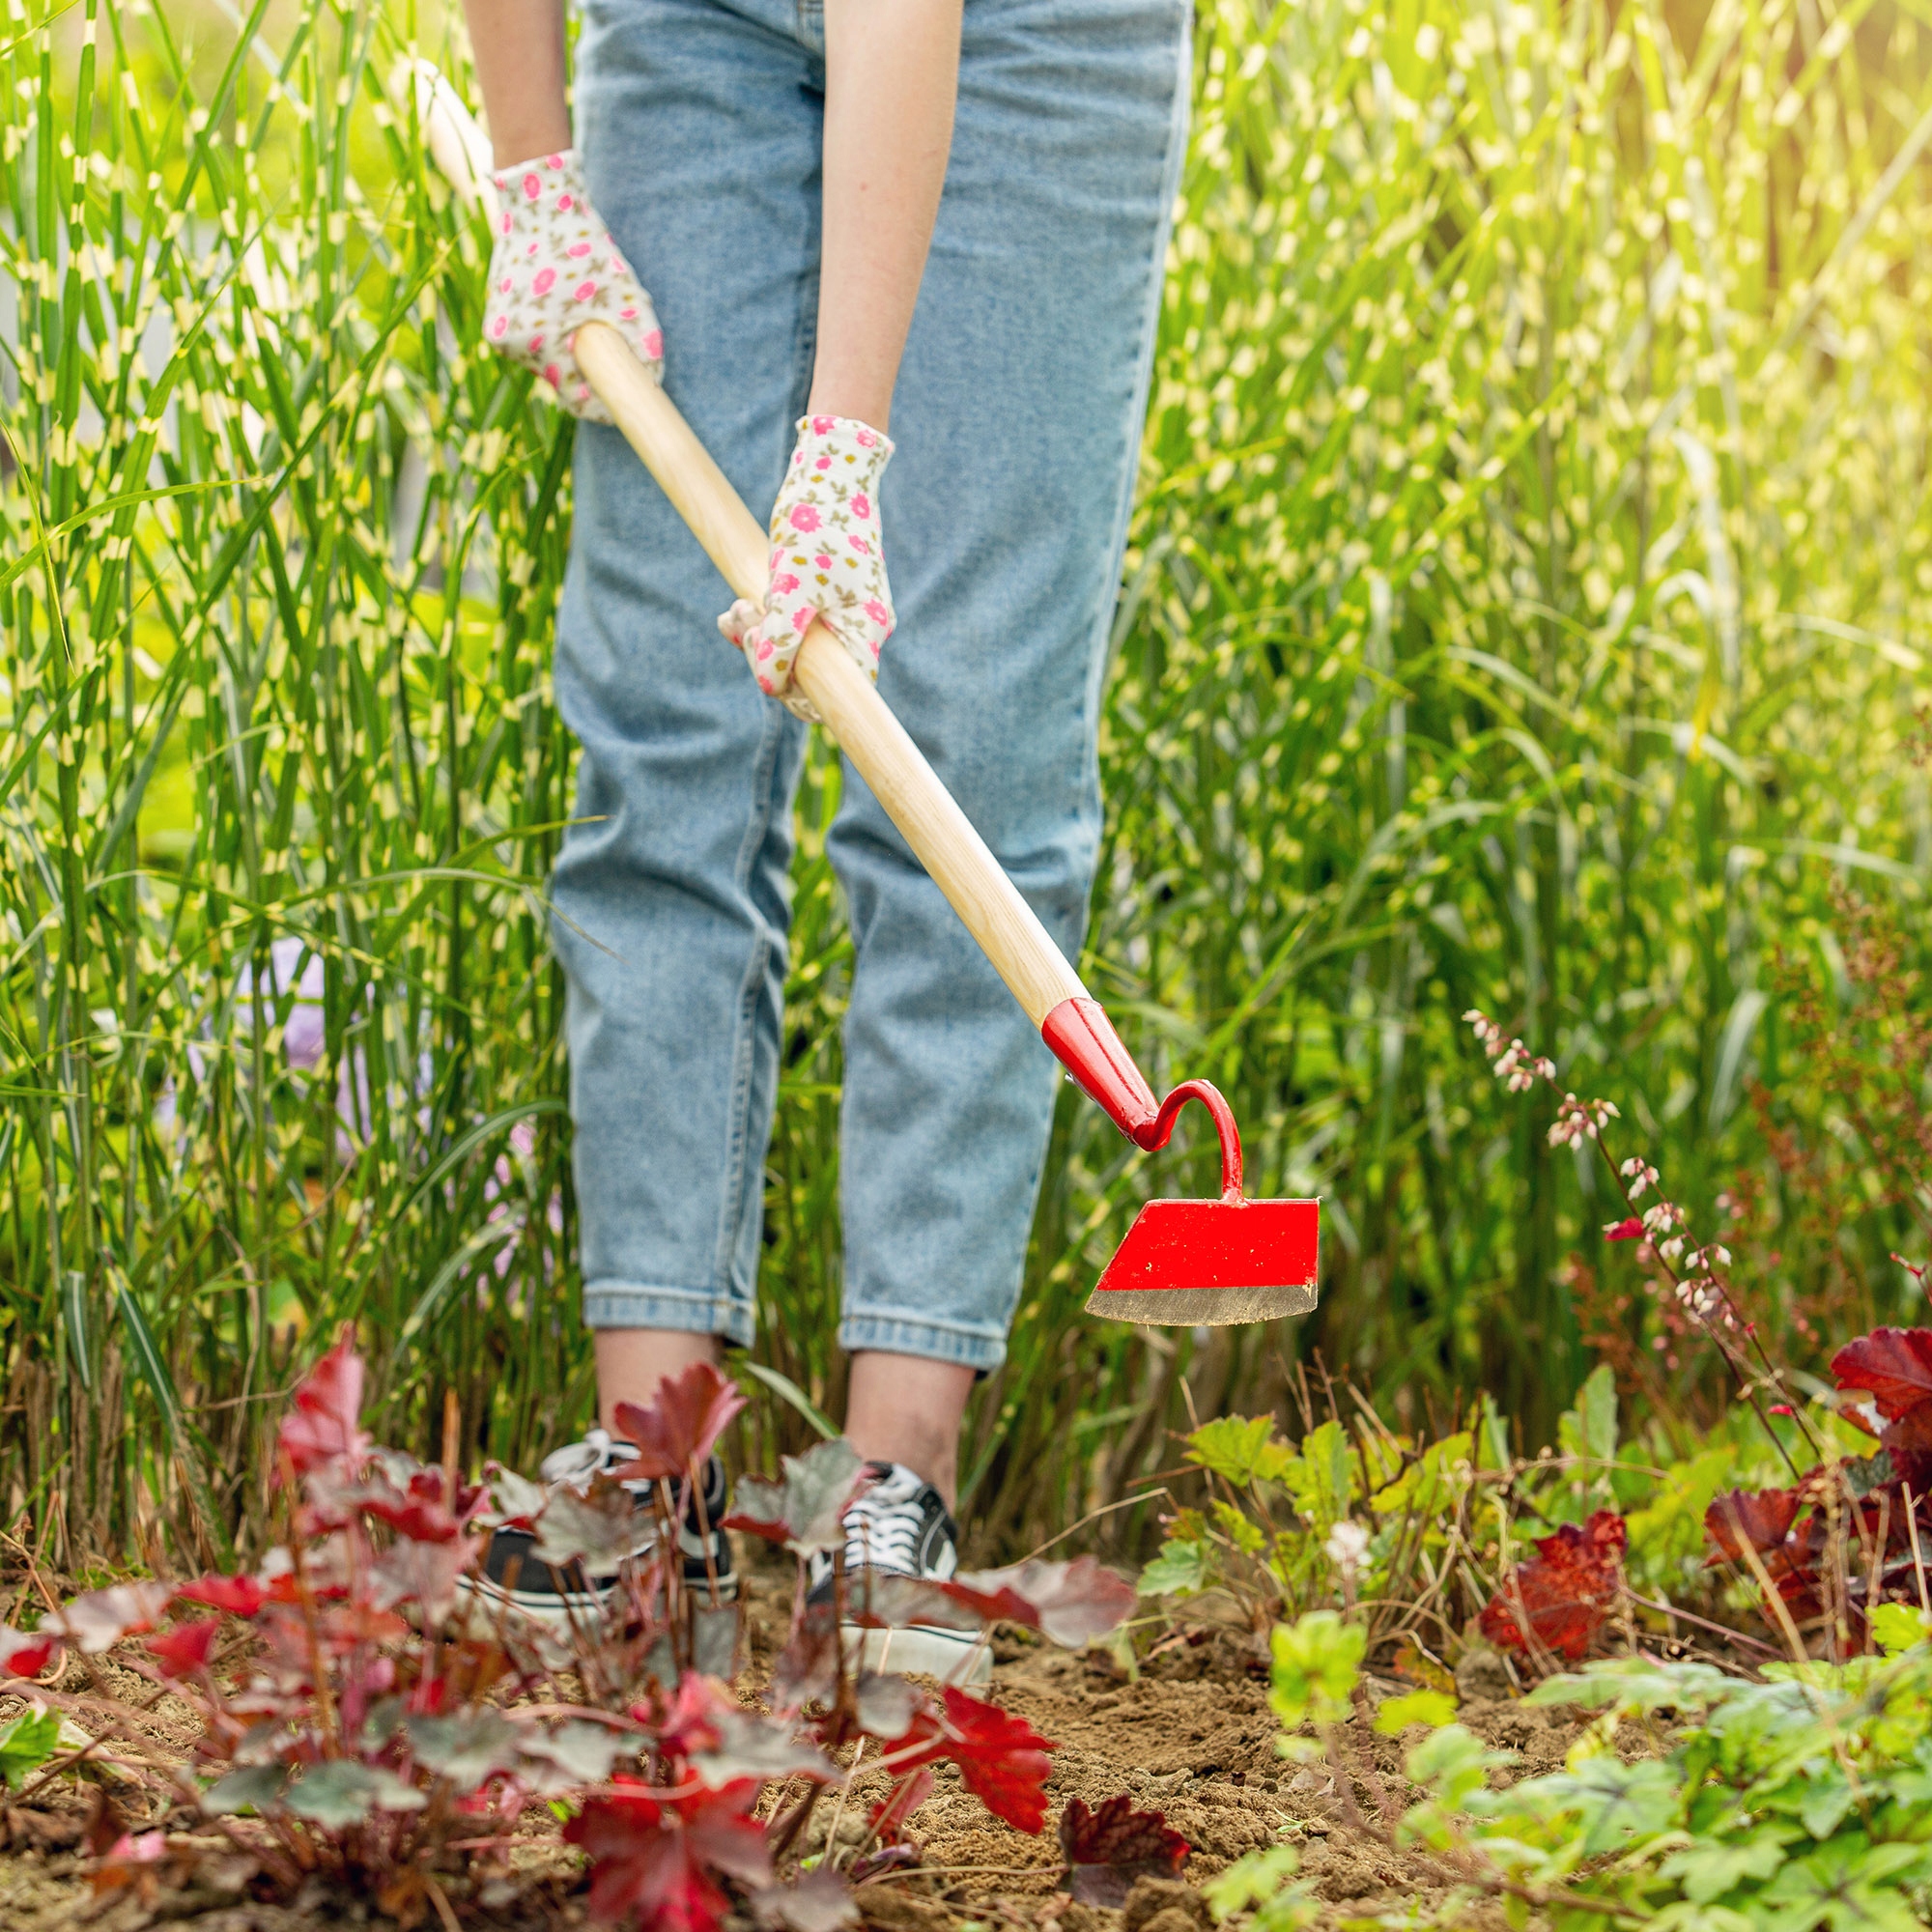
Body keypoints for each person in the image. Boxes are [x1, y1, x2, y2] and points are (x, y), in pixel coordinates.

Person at [457, 0, 1190, 1679]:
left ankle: (894, 1491)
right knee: (660, 720)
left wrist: (842, 450)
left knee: (963, 739)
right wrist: (534, 171)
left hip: (1031, 39)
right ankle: (655, 1472)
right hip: (693, 30)